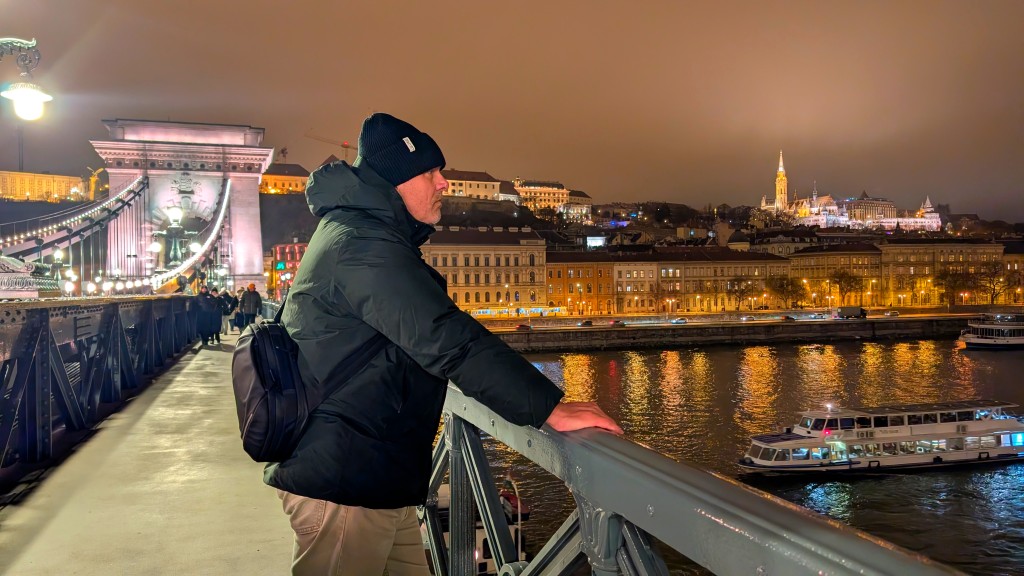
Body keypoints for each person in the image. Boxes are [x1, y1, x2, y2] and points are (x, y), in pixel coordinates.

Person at [269, 112, 621, 576]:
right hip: (344, 482)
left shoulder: (361, 234)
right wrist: (548, 407)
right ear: (396, 181)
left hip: (374, 475)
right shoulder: (363, 246)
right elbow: (448, 340)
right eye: (431, 173)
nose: (445, 184)